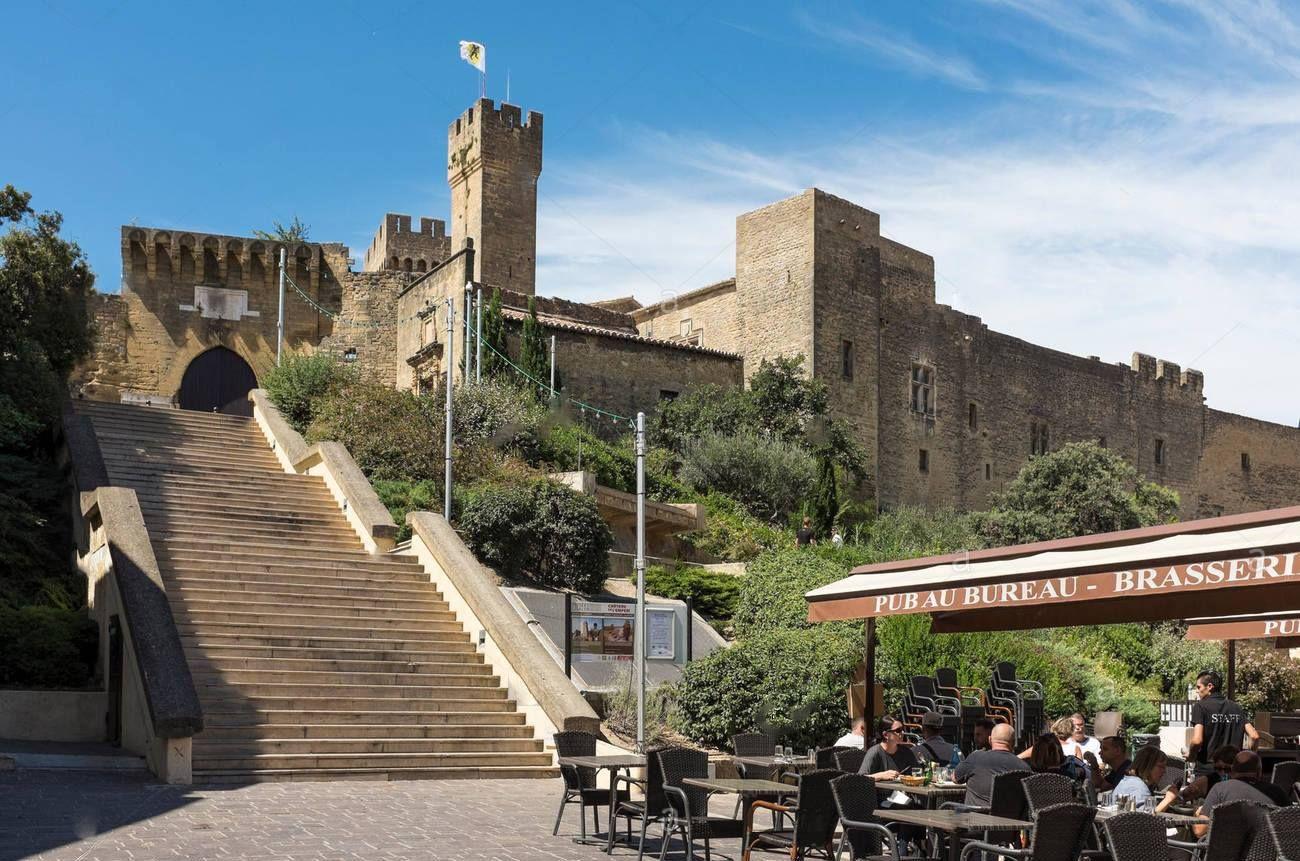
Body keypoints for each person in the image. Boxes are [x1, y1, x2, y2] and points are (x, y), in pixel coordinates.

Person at [1193, 751, 1287, 837]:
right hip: (1269, 854)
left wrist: (1196, 814)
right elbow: (1293, 825)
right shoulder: (1277, 791)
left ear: (1232, 770)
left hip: (1227, 854)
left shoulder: (1220, 789)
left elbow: (1199, 830)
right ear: (1259, 772)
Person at [1188, 671, 1259, 771]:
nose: (1197, 691)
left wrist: (1191, 756)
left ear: (1209, 686)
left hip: (1208, 769)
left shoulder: (1200, 706)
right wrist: (1250, 757)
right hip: (1233, 769)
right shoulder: (1236, 707)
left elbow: (1197, 741)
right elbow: (1254, 736)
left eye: (1199, 687)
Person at [953, 722, 1030, 808]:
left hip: (975, 819)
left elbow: (955, 778)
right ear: (1013, 742)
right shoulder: (1024, 768)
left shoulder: (976, 757)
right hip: (1010, 820)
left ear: (990, 739)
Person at [1111, 746, 1180, 813]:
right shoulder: (1138, 787)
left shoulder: (1131, 781)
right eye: (1160, 766)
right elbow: (1147, 820)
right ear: (1147, 766)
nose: (1164, 771)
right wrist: (1168, 799)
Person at [858, 716, 919, 782]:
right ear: (885, 735)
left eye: (903, 729)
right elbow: (860, 779)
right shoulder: (874, 752)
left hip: (902, 791)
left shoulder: (906, 752)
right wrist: (882, 775)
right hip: (879, 792)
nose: (903, 733)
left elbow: (918, 773)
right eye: (898, 730)